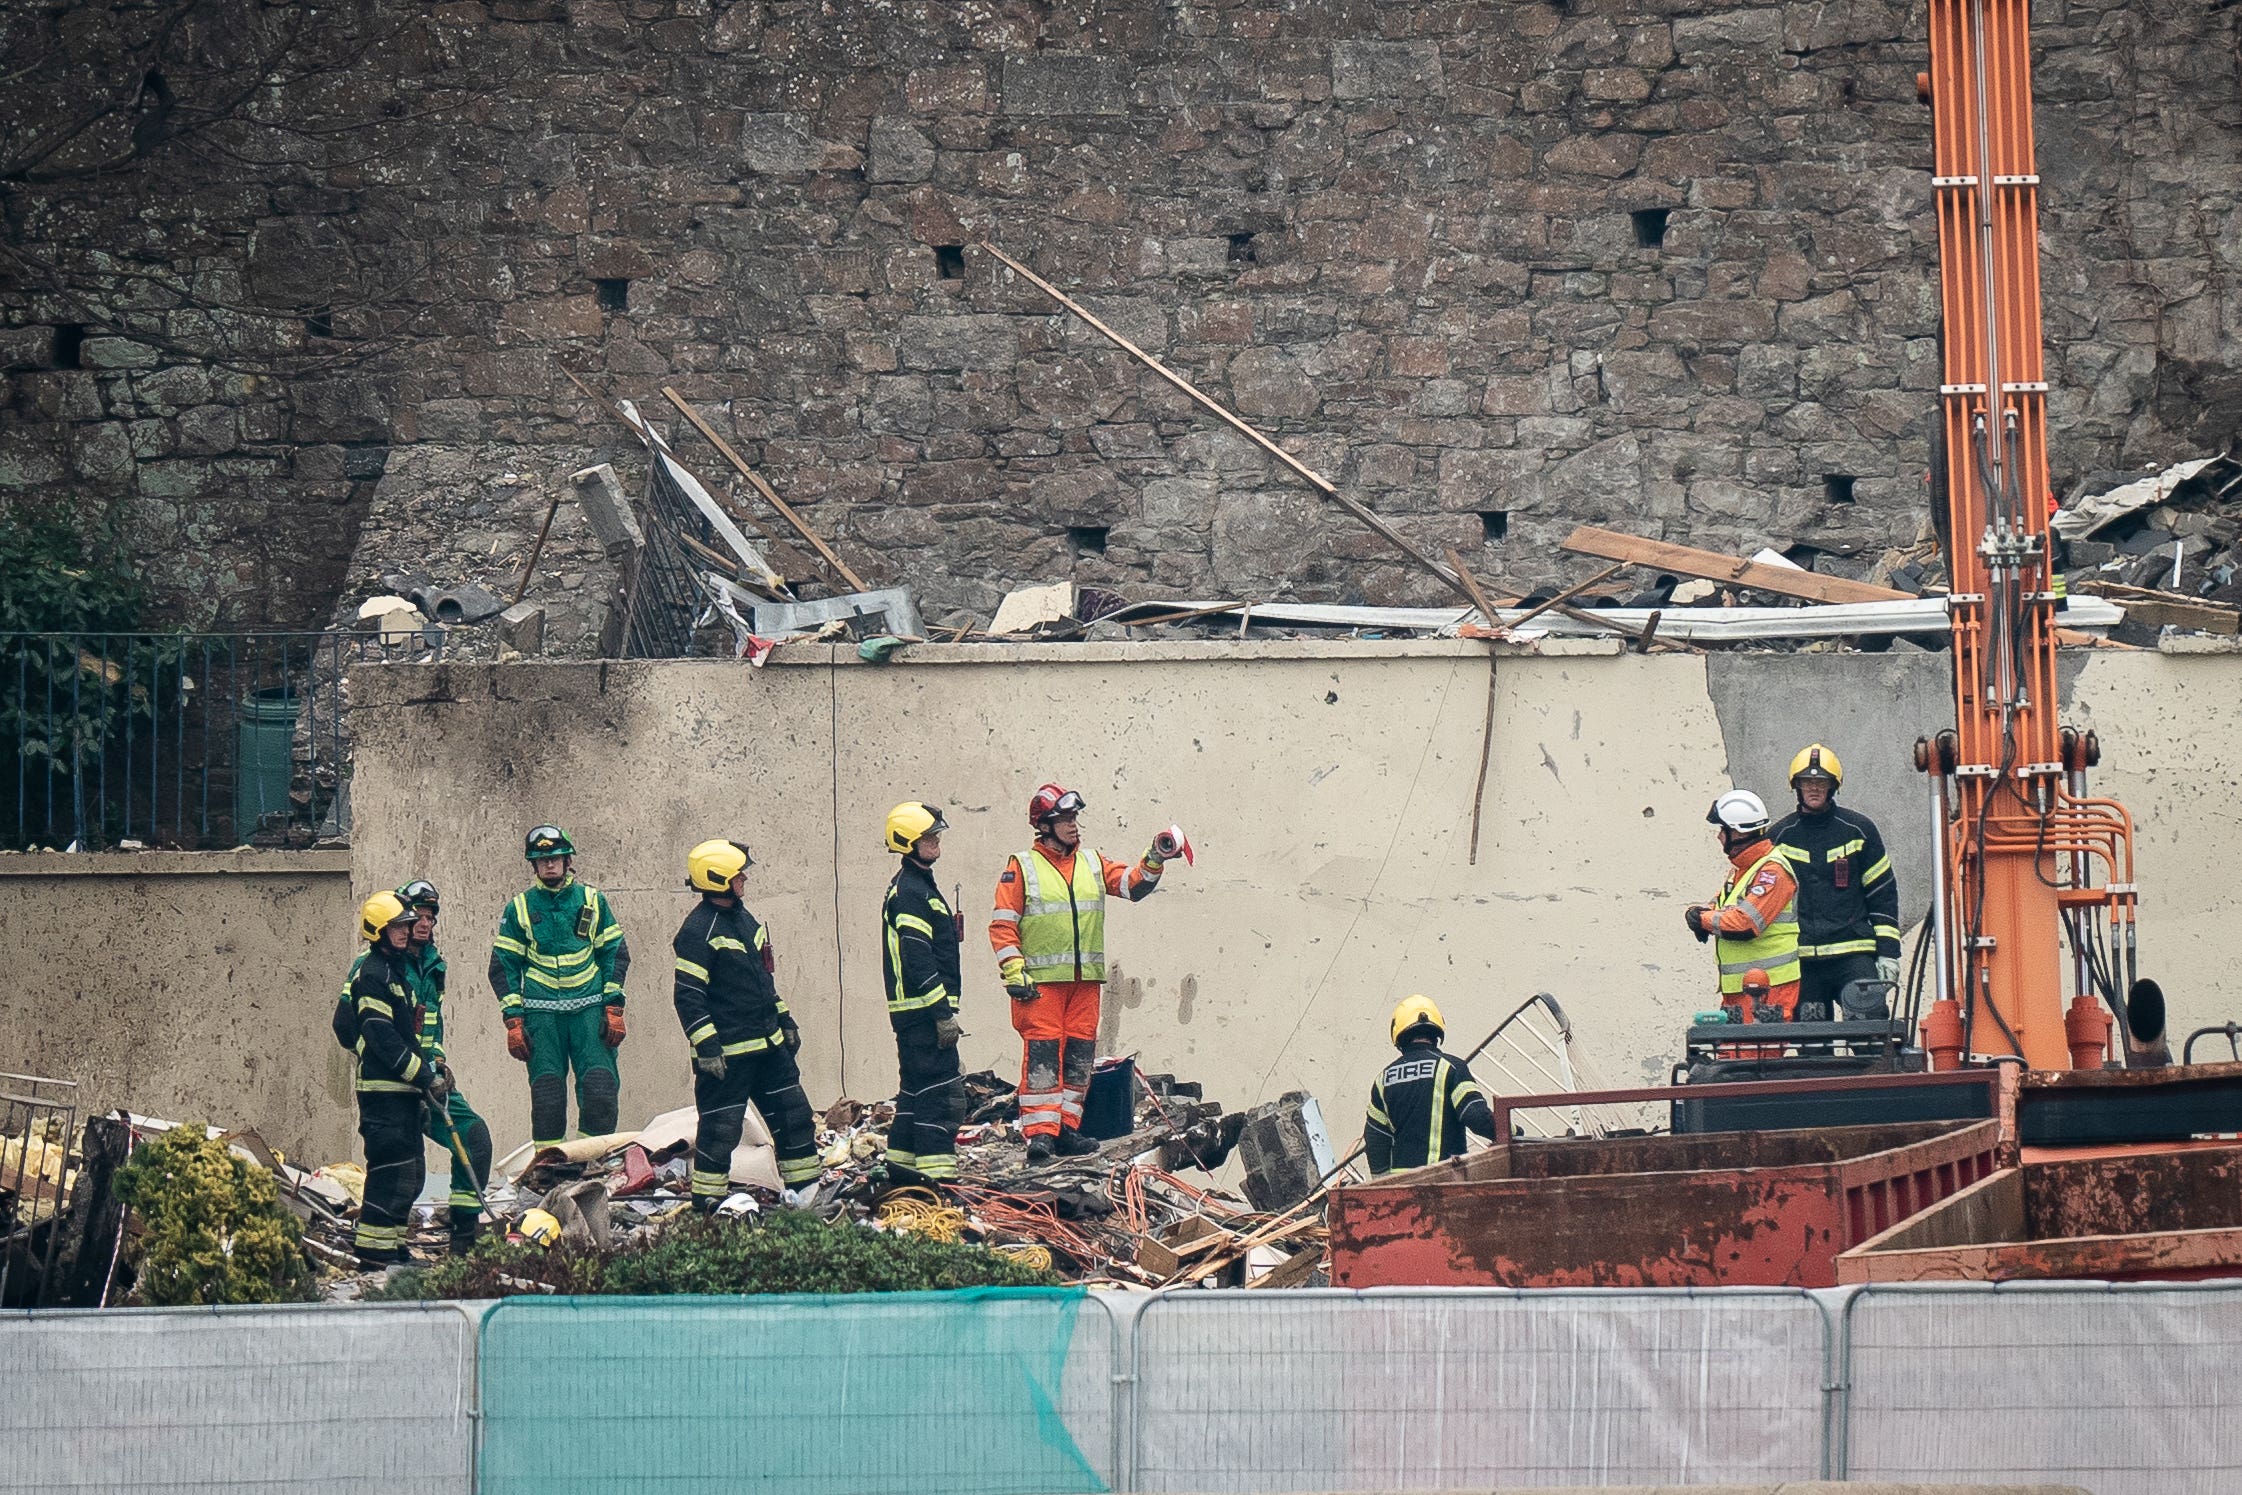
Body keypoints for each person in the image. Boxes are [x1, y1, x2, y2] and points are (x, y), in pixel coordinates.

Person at [989, 782, 1173, 1163]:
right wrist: (1014, 971)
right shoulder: (1022, 867)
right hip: (1041, 986)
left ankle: (1067, 1130)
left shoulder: (1092, 862)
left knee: (1077, 1058)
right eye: (1065, 819)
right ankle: (1040, 1134)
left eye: (1074, 818)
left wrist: (1155, 857)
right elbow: (1003, 925)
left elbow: (1131, 885)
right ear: (1044, 825)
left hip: (1084, 983)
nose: (1074, 825)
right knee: (1043, 1059)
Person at [672, 838, 821, 1210]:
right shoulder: (698, 932)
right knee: (720, 1132)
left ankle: (806, 1194)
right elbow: (688, 995)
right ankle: (708, 1205)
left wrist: (784, 1018)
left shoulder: (744, 918)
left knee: (795, 1118)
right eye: (738, 874)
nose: (744, 879)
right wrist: (706, 1046)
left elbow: (763, 982)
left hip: (770, 1050)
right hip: (729, 1057)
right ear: (718, 879)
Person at [489, 825, 630, 1150]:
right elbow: (502, 965)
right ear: (533, 865)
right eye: (542, 860)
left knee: (599, 1090)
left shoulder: (593, 901)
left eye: (555, 858)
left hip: (590, 1012)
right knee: (548, 1096)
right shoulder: (519, 908)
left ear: (568, 861)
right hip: (541, 1018)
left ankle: (592, 1163)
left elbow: (615, 953)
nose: (549, 865)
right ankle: (550, 1168)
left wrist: (613, 1006)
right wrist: (513, 1020)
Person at [340, 891, 446, 1268]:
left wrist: (430, 1069)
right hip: (382, 1094)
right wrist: (422, 1074)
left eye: (405, 925)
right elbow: (382, 1037)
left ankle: (395, 1246)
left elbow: (408, 1034)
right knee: (390, 1174)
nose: (405, 931)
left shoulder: (395, 971)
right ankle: (374, 1253)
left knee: (411, 1175)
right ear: (379, 931)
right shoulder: (373, 974)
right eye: (397, 926)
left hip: (401, 1092)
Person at [394, 879, 491, 1254]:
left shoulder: (433, 967)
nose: (424, 923)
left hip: (431, 1083)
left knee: (474, 1139)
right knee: (407, 1173)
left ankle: (463, 1242)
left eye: (430, 917)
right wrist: (410, 1072)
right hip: (395, 1087)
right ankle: (387, 1252)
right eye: (417, 915)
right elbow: (357, 1030)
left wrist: (437, 1062)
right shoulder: (379, 967)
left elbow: (429, 1025)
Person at [1771, 744, 1902, 1020]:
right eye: (1807, 781)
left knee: (1871, 1034)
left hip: (1853, 955)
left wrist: (1888, 953)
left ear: (1833, 786)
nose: (1814, 788)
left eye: (1822, 781)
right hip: (1802, 960)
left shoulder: (1858, 831)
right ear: (1797, 786)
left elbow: (1883, 895)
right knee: (1812, 1050)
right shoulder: (1779, 838)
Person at [881, 802, 965, 1186]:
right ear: (908, 842)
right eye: (928, 836)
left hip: (916, 1013)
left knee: (914, 1094)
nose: (936, 841)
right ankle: (937, 1183)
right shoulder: (912, 891)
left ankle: (902, 1172)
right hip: (923, 1014)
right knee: (939, 1097)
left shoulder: (917, 885)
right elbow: (919, 957)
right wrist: (941, 1012)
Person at [1685, 789, 1802, 1019]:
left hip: (1768, 993)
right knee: (1731, 1054)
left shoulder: (1772, 871)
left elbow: (1745, 923)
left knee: (1754, 1054)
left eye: (1723, 830)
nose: (1719, 837)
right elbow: (1719, 909)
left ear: (1738, 832)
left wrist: (1702, 920)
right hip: (1742, 993)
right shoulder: (1742, 871)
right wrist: (1700, 915)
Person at [1363, 995, 1500, 1175]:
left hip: (1401, 1190)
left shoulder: (1383, 1079)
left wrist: (1382, 1186)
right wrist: (1513, 1132)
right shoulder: (1451, 1068)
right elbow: (1476, 1116)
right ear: (1437, 1030)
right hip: (1444, 1184)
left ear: (1398, 1033)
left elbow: (1375, 1140)